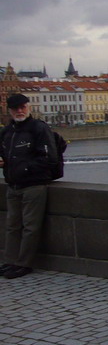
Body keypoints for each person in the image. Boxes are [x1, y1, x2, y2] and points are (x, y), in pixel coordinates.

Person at [0, 94, 62, 279]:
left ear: (28, 107)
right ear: (9, 110)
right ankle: (10, 261)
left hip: (34, 185)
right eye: (15, 108)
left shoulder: (39, 128)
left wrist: (24, 168)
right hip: (14, 184)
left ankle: (23, 264)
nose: (19, 111)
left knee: (30, 226)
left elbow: (49, 158)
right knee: (12, 226)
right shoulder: (7, 131)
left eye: (22, 107)